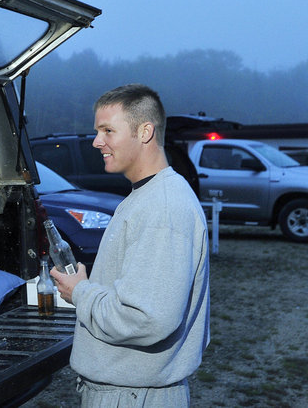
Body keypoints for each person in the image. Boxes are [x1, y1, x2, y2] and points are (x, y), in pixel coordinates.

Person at [51, 84, 210, 407]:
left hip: (133, 398)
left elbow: (148, 318)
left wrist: (80, 292)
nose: (97, 142)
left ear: (145, 132)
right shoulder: (146, 196)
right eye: (98, 131)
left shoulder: (163, 207)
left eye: (108, 130)